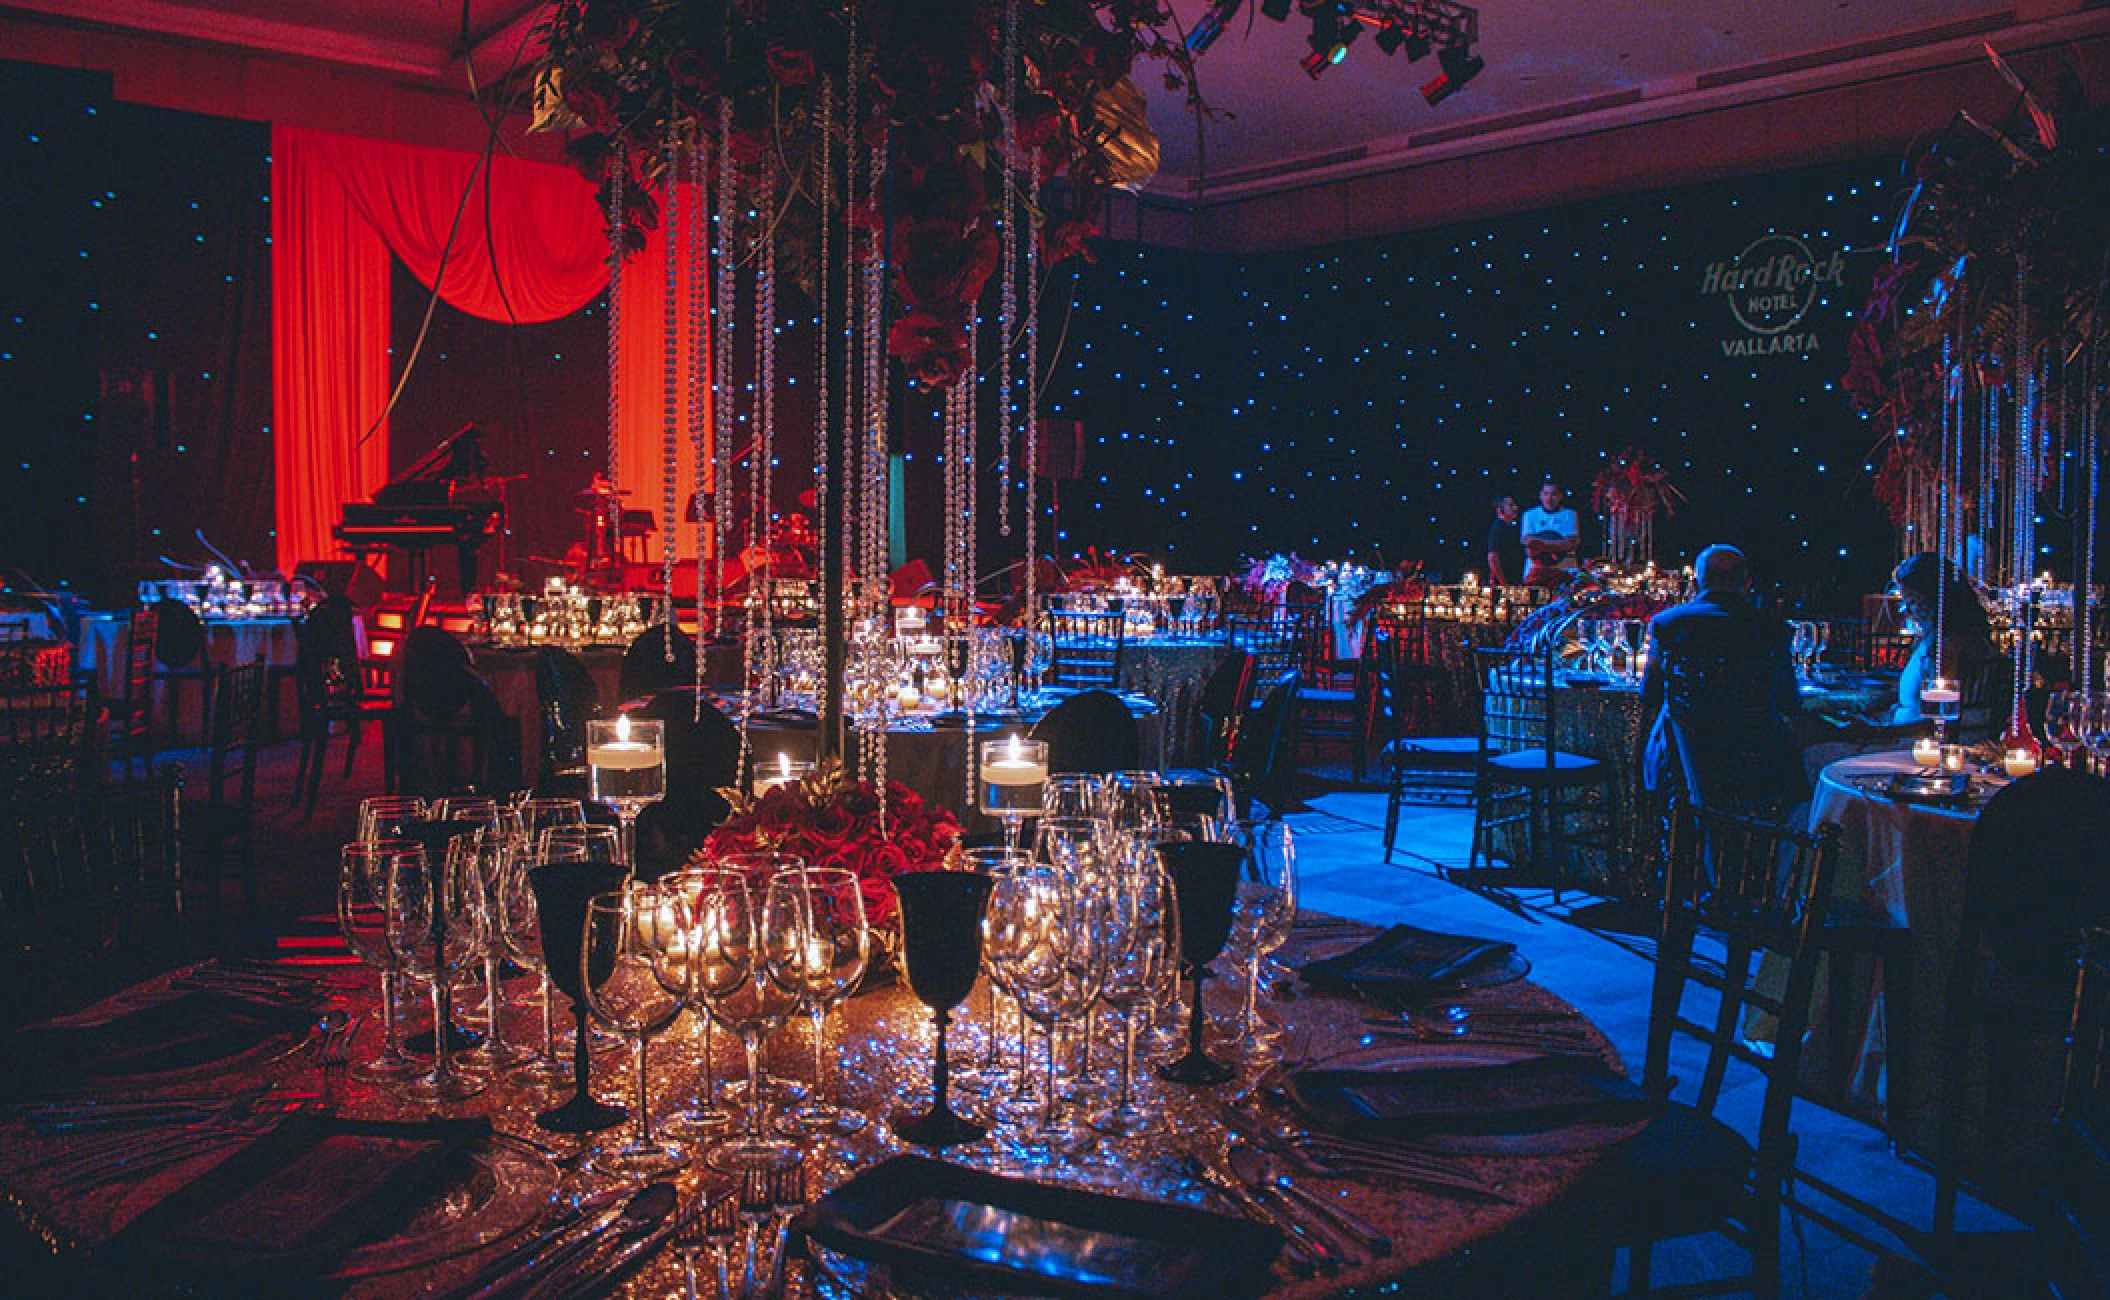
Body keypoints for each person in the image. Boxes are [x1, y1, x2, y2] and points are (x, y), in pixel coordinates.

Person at [1638, 544, 1807, 812]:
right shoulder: (1773, 629)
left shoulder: (1668, 623)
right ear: (1747, 582)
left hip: (1683, 761)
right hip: (1755, 763)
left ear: (1695, 582)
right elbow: (1788, 701)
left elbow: (1649, 694)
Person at [1888, 552, 1995, 730]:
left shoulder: (1949, 647)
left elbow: (1938, 720)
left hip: (1911, 742)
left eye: (1913, 601)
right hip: (1903, 733)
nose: (1906, 611)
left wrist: (1877, 731)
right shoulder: (1941, 639)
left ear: (1936, 600)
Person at [1520, 479, 1581, 586]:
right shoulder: (1530, 515)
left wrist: (1541, 545)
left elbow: (1571, 543)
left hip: (1564, 569)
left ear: (1560, 496)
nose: (1549, 498)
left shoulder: (1570, 514)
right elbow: (1528, 542)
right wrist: (1557, 545)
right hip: (1536, 572)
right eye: (1546, 494)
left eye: (1554, 494)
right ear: (1540, 495)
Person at [1486, 495, 1525, 586]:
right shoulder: (1498, 528)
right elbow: (1492, 557)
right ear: (1500, 509)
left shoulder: (1510, 528)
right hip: (1503, 583)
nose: (1515, 508)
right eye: (1510, 505)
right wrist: (1504, 583)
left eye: (1515, 505)